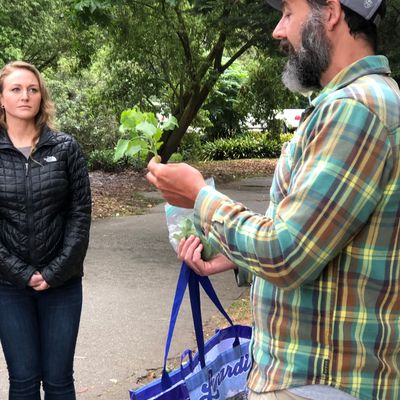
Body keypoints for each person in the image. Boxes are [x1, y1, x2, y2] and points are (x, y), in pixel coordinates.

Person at [146, 0, 400, 399]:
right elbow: (317, 239)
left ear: (331, 12)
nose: (278, 31)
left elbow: (286, 253)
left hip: (318, 383)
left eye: (288, 13)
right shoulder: (367, 100)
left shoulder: (354, 109)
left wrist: (200, 198)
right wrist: (235, 256)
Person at [0, 61, 91, 399]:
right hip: (8, 286)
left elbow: (80, 215)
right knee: (23, 380)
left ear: (42, 97)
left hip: (62, 284)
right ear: (1, 98)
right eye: (16, 89)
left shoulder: (65, 148)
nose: (25, 96)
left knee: (58, 380)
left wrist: (54, 272)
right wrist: (22, 273)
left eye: (33, 89)